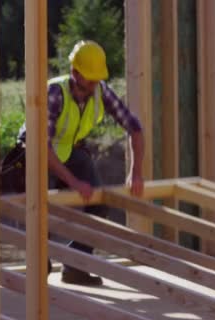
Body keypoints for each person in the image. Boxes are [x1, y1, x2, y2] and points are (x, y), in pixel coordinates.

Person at [17, 40, 145, 285]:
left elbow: (135, 129)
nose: (94, 84)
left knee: (98, 203)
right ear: (75, 73)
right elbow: (41, 147)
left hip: (68, 150)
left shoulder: (100, 91)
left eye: (97, 79)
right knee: (35, 207)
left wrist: (135, 172)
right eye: (89, 79)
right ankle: (38, 263)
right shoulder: (54, 94)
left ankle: (76, 266)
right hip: (34, 152)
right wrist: (73, 181)